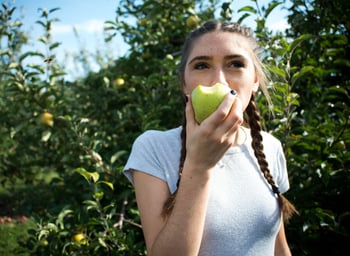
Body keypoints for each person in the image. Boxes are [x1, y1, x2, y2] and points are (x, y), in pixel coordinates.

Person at [123, 21, 297, 256]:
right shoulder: (154, 148)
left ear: (255, 80)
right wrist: (199, 165)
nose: (219, 82)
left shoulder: (270, 146)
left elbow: (278, 247)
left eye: (235, 64)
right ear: (185, 83)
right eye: (202, 65)